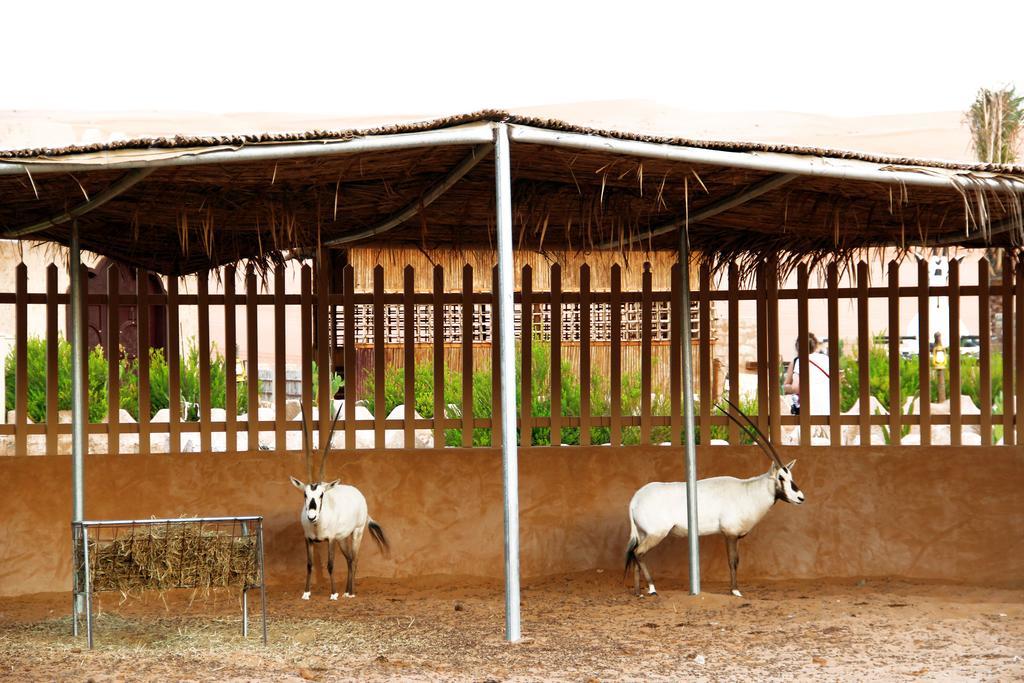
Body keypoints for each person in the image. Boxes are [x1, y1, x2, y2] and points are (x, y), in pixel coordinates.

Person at [782, 333, 831, 418]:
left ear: (797, 347)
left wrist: (785, 387)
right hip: (828, 409)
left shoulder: (800, 360)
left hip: (808, 410)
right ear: (815, 345)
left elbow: (795, 388)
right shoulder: (826, 359)